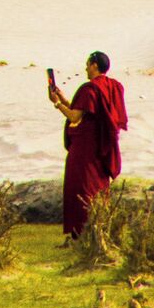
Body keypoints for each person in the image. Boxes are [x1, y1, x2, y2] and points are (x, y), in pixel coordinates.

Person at [49, 51, 127, 238]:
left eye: (87, 64)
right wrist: (63, 97)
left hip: (85, 150)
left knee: (81, 188)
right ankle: (100, 230)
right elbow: (85, 110)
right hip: (102, 147)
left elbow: (75, 116)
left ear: (94, 65)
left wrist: (57, 104)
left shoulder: (90, 88)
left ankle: (81, 234)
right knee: (98, 188)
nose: (85, 67)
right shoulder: (114, 86)